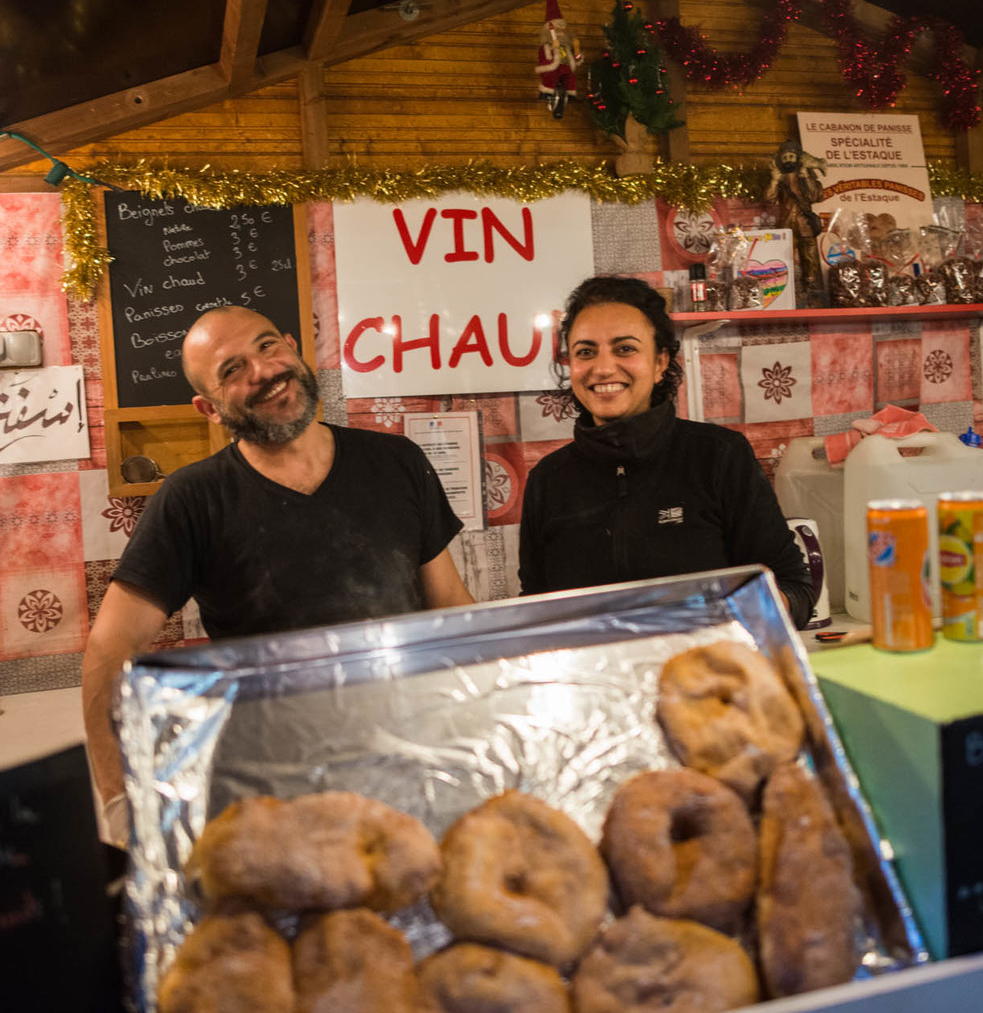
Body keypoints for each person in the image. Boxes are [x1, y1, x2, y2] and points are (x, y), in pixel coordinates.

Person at [82, 306, 474, 841]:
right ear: (209, 408)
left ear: (293, 346)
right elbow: (109, 654)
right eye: (232, 369)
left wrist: (480, 725)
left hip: (409, 762)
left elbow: (450, 604)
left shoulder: (397, 462)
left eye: (268, 346)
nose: (264, 371)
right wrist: (118, 804)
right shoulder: (193, 500)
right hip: (274, 794)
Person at [518, 276, 815, 624]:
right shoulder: (548, 481)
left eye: (625, 348)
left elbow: (795, 589)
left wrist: (728, 616)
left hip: (705, 672)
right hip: (593, 678)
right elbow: (535, 610)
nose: (602, 367)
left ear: (660, 362)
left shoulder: (719, 456)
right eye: (585, 351)